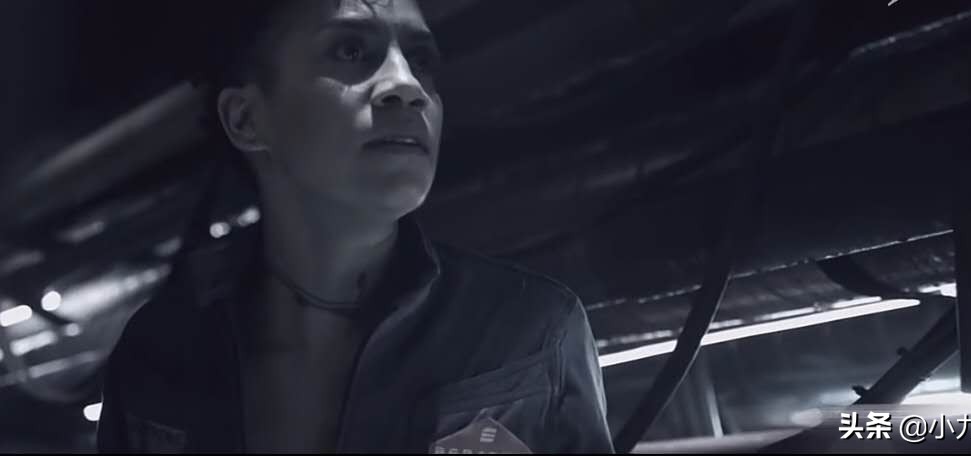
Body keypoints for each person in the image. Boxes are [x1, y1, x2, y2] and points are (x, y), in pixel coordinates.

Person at [95, 0, 614, 452]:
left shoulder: (533, 333)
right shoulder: (157, 354)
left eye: (422, 59)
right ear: (246, 119)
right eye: (349, 50)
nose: (408, 85)